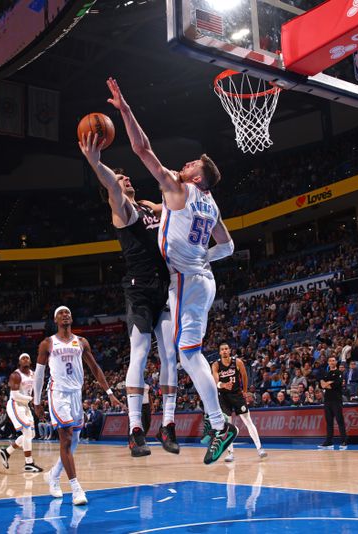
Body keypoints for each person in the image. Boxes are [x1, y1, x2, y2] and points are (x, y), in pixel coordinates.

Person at [107, 77, 238, 464]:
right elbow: (228, 246)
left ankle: (218, 424)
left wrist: (125, 110)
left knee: (187, 355)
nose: (183, 165)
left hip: (186, 282)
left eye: (190, 164)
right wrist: (200, 254)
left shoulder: (177, 188)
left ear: (195, 177)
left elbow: (141, 147)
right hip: (202, 280)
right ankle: (216, 424)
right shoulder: (210, 204)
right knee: (185, 354)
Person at [78, 132, 177, 457]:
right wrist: (96, 163)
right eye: (121, 177)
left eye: (127, 176)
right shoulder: (122, 210)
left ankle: (168, 424)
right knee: (139, 352)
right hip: (139, 290)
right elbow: (111, 184)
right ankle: (136, 429)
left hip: (166, 286)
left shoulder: (148, 206)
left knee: (170, 356)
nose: (126, 178)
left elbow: (179, 199)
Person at [35, 306, 123, 505]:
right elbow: (39, 373)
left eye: (68, 313)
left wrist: (109, 393)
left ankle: (53, 475)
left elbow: (94, 367)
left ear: (71, 318)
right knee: (65, 438)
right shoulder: (48, 343)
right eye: (61, 313)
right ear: (55, 320)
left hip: (76, 394)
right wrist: (37, 400)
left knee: (74, 440)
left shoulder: (81, 342)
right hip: (58, 393)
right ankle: (76, 489)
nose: (65, 315)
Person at [211, 342, 267, 462]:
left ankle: (260, 448)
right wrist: (223, 385)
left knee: (248, 421)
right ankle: (230, 452)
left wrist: (245, 391)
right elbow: (216, 381)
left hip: (237, 395)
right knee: (227, 426)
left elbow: (244, 376)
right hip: (224, 397)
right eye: (222, 349)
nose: (225, 351)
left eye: (226, 348)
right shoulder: (216, 365)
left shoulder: (237, 362)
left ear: (229, 350)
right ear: (220, 352)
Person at [0, 353, 43, 472]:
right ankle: (29, 463)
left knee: (31, 435)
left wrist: (36, 400)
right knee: (27, 431)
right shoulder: (15, 375)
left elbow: (34, 390)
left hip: (25, 405)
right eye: (22, 358)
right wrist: (31, 399)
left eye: (27, 358)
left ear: (30, 362)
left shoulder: (33, 375)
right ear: (19, 362)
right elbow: (15, 395)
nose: (25, 359)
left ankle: (7, 452)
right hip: (15, 404)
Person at [319, 356, 347, 449]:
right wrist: (328, 383)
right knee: (329, 422)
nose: (331, 362)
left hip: (336, 400)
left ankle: (344, 441)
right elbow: (322, 385)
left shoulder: (339, 373)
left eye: (333, 360)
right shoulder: (326, 373)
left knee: (340, 421)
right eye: (330, 360)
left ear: (336, 362)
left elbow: (335, 385)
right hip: (327, 400)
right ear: (328, 362)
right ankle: (329, 441)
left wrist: (327, 384)